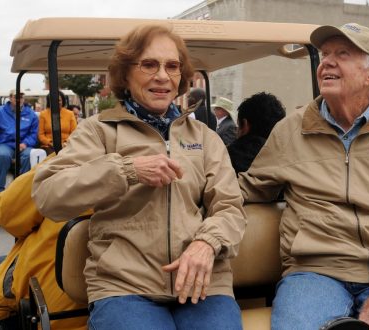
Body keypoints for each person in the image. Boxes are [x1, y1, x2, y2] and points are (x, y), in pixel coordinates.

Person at [31, 24, 246, 330]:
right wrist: (127, 170)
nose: (162, 76)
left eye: (172, 66)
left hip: (202, 284)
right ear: (125, 74)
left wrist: (207, 244)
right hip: (125, 286)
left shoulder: (204, 137)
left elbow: (230, 207)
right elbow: (48, 195)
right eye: (148, 64)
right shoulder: (99, 131)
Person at [238, 23, 369, 330]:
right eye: (325, 54)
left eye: (343, 54)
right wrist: (193, 185)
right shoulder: (291, 130)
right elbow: (250, 187)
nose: (327, 62)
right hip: (314, 272)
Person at [0, 160, 88, 330]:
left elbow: (7, 215)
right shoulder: (140, 161)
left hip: (55, 309)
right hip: (112, 292)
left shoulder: (69, 158)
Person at [0, 90, 39, 195]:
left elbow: (34, 133)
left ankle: (23, 190)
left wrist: (25, 143)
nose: (19, 99)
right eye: (16, 97)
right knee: (3, 155)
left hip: (23, 145)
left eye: (21, 97)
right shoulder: (0, 112)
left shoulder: (31, 114)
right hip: (6, 144)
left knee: (28, 155)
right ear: (10, 98)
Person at [227, 92, 286, 173]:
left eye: (237, 126)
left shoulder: (225, 158)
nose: (236, 131)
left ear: (245, 124)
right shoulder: (288, 159)